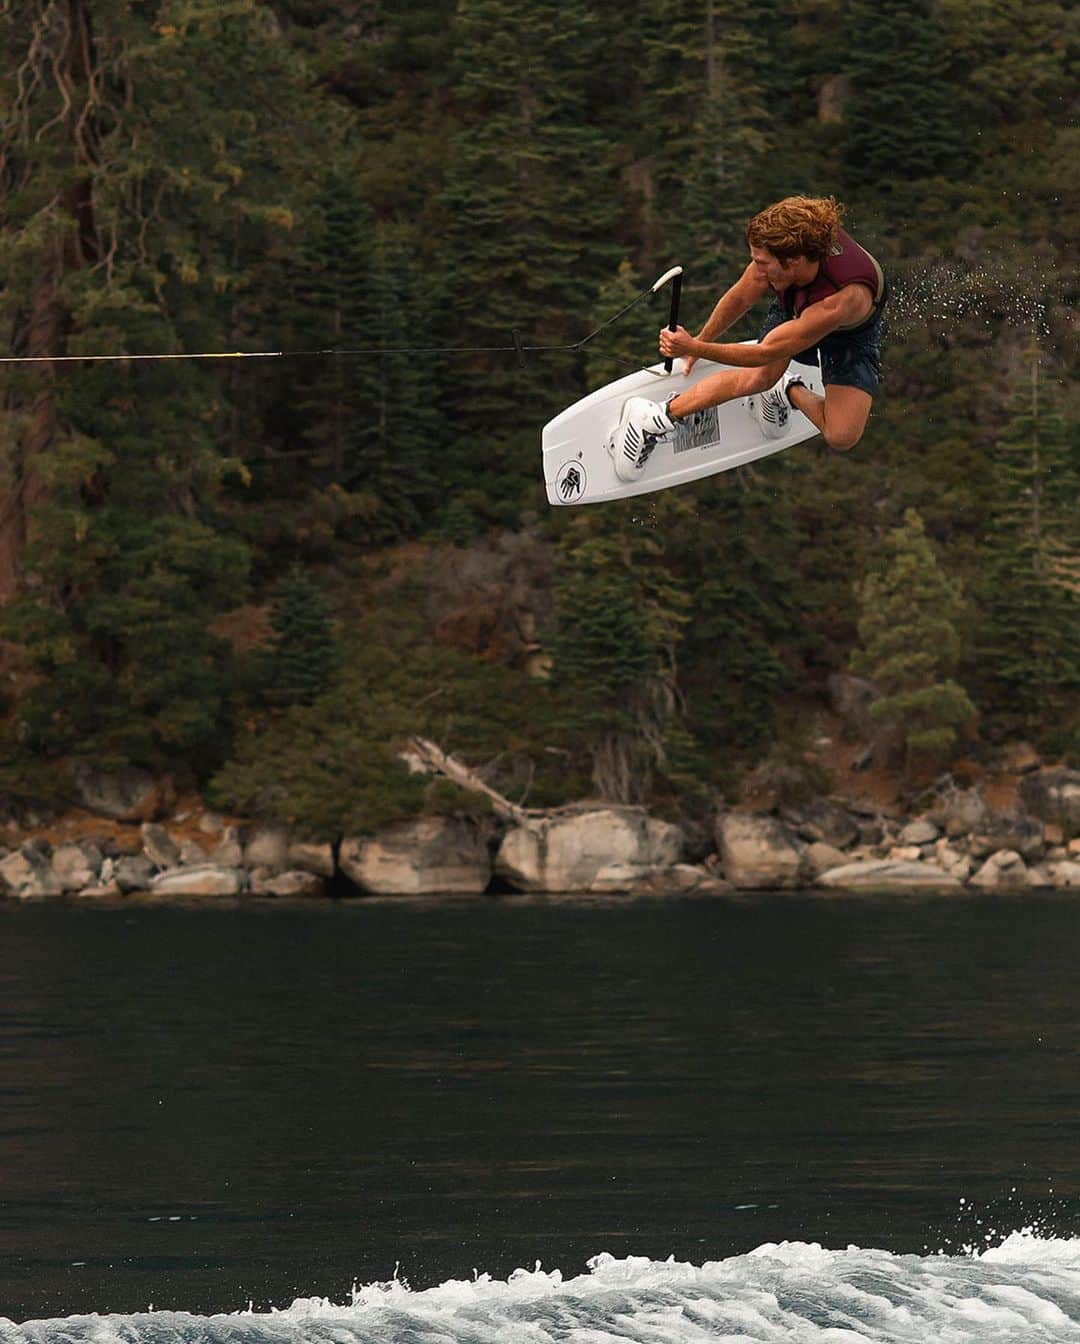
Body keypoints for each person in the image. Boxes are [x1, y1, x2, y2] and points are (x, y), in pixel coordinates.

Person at [609, 195, 887, 482]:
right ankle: (653, 420)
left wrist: (694, 346)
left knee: (841, 436)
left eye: (762, 263)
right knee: (757, 379)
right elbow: (741, 296)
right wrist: (700, 343)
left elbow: (764, 352)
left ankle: (785, 389)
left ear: (793, 261)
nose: (757, 269)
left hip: (848, 334)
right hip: (798, 300)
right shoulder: (790, 251)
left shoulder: (839, 301)